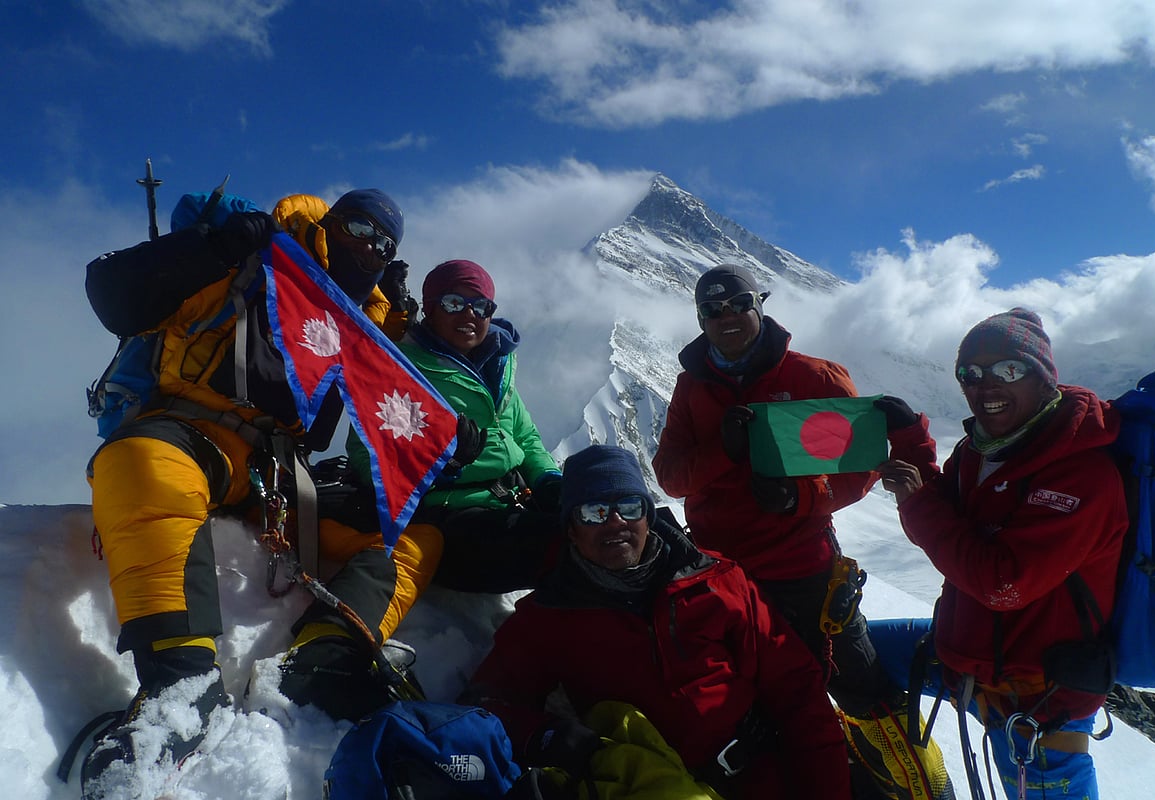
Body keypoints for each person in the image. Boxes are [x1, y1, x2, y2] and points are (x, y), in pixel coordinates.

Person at [81, 187, 445, 795]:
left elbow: (397, 395)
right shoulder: (253, 260)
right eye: (358, 226)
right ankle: (180, 682)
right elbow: (113, 296)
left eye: (384, 244)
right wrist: (211, 249)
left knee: (412, 536)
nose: (368, 247)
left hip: (277, 469)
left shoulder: (367, 318)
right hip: (191, 427)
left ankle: (327, 655)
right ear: (330, 221)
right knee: (143, 462)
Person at [651, 263, 953, 800]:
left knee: (866, 692)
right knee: (766, 706)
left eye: (738, 304)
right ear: (700, 319)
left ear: (760, 305)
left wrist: (800, 498)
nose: (726, 318)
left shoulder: (815, 378)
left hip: (805, 574)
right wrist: (725, 450)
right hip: (722, 580)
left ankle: (924, 791)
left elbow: (859, 469)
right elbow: (671, 476)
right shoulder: (690, 388)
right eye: (711, 311)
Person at [461, 444, 852, 799]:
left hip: (766, 774)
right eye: (594, 511)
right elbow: (487, 704)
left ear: (648, 517)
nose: (615, 522)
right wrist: (549, 737)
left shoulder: (719, 580)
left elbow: (798, 690)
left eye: (629, 507)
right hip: (649, 785)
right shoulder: (549, 616)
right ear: (571, 529)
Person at [875, 308, 1127, 800]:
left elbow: (1003, 585)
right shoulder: (980, 451)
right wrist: (911, 441)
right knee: (844, 651)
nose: (985, 385)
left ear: (1042, 376)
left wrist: (918, 505)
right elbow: (947, 509)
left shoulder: (1082, 474)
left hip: (1039, 710)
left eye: (1007, 370)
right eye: (970, 373)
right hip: (969, 661)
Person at [347, 258, 562, 593]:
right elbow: (366, 456)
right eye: (453, 303)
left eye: (480, 306)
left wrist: (549, 480)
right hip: (450, 516)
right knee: (566, 545)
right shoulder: (399, 371)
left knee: (609, 509)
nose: (469, 315)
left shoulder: (497, 366)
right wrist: (442, 464)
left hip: (514, 499)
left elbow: (526, 436)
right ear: (431, 309)